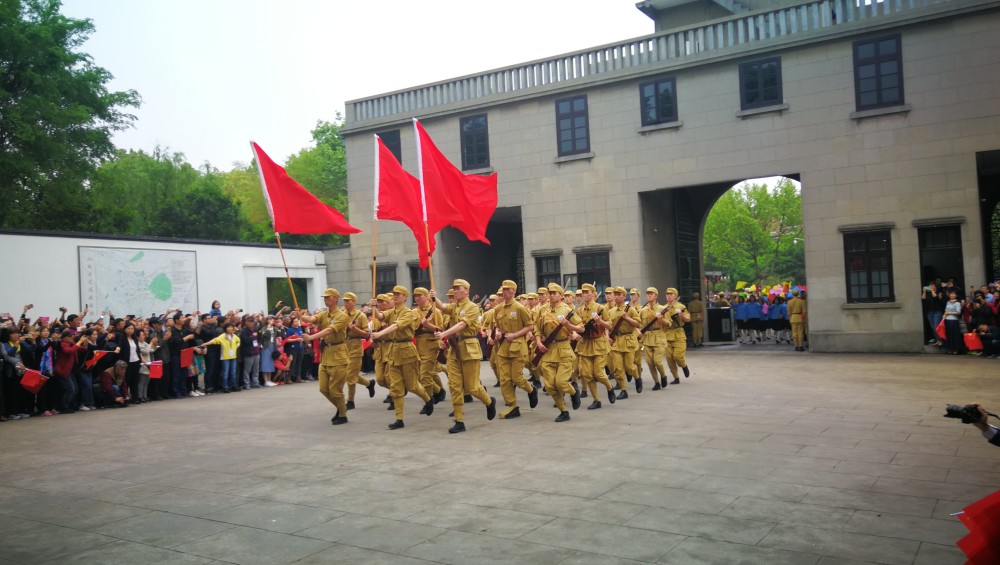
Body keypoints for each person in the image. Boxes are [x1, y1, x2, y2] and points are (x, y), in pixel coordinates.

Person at [432, 279, 496, 434]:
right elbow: (442, 307)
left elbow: (462, 325)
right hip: (454, 350)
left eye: (458, 288)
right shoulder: (455, 306)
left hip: (469, 349)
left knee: (472, 387)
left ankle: (488, 402)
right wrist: (434, 298)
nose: (454, 291)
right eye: (453, 288)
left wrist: (444, 334)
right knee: (454, 386)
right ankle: (459, 420)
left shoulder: (472, 307)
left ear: (467, 291)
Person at [370, 285, 435, 430]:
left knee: (412, 385)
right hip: (393, 351)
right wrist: (374, 307)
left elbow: (396, 326)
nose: (395, 296)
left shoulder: (409, 313)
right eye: (394, 294)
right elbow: (381, 316)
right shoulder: (391, 311)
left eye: (398, 294)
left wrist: (379, 334)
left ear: (405, 297)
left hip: (406, 351)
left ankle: (427, 399)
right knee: (396, 387)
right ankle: (399, 418)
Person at [533, 283, 583, 422]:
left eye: (555, 293)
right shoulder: (543, 309)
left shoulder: (567, 310)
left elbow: (581, 328)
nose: (552, 294)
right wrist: (538, 342)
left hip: (563, 348)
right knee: (549, 386)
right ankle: (563, 411)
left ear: (561, 296)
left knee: (560, 382)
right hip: (548, 349)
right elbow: (537, 327)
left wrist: (569, 326)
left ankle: (573, 393)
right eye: (550, 292)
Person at [489, 280, 538, 419]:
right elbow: (497, 326)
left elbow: (529, 326)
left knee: (516, 378)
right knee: (504, 379)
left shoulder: (520, 308)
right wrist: (497, 333)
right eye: (503, 289)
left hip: (517, 346)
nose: (504, 292)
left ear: (513, 291)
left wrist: (515, 334)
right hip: (503, 347)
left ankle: (531, 390)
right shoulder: (498, 309)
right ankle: (512, 406)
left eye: (507, 289)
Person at [300, 288, 351, 425]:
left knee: (335, 390)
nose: (326, 299)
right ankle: (340, 408)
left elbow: (329, 330)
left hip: (338, 353)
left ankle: (343, 414)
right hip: (327, 354)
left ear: (336, 298)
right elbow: (312, 319)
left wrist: (310, 337)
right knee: (323, 388)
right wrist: (300, 315)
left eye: (328, 297)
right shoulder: (324, 314)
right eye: (324, 297)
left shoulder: (342, 316)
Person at [412, 288, 447, 405]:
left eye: (420, 296)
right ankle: (438, 391)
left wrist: (428, 325)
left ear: (427, 297)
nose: (417, 298)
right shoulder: (414, 312)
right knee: (419, 374)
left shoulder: (435, 311)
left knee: (425, 376)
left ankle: (428, 401)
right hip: (418, 345)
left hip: (431, 345)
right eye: (415, 296)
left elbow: (441, 329)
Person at [607, 286, 642, 401]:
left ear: (623, 296)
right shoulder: (611, 311)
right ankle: (623, 390)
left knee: (629, 367)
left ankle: (637, 377)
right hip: (616, 341)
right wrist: (608, 337)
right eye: (615, 294)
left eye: (619, 295)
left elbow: (637, 324)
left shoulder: (630, 309)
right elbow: (608, 327)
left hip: (628, 340)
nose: (616, 297)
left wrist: (627, 318)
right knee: (618, 368)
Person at [342, 292, 376, 407]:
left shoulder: (360, 316)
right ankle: (369, 383)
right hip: (343, 346)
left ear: (354, 302)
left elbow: (367, 334)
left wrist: (355, 329)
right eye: (344, 301)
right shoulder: (341, 314)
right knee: (350, 374)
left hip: (355, 345)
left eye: (348, 301)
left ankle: (350, 400)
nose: (346, 303)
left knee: (350, 375)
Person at [640, 288, 669, 390]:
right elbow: (639, 325)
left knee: (657, 361)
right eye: (647, 294)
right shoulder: (643, 310)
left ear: (656, 296)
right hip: (647, 337)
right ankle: (656, 382)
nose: (649, 296)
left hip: (658, 336)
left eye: (651, 294)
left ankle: (663, 376)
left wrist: (661, 319)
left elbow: (669, 323)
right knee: (649, 362)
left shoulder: (662, 309)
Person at [663, 288, 691, 383]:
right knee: (669, 358)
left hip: (678, 334)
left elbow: (688, 319)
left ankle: (683, 366)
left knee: (678, 356)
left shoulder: (680, 306)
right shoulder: (663, 308)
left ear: (675, 296)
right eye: (667, 294)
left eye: (671, 294)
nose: (669, 296)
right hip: (667, 334)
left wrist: (682, 316)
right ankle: (676, 377)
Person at [205, 322, 240, 392]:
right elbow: (215, 340)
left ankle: (233, 385)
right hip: (225, 357)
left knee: (233, 372)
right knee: (225, 373)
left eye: (231, 327)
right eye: (228, 327)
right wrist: (206, 344)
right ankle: (225, 387)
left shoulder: (234, 336)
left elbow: (238, 341)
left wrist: (236, 347)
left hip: (233, 356)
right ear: (225, 328)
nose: (230, 328)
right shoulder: (223, 336)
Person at [943, 290, 963, 355]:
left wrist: (949, 313)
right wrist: (944, 316)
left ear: (956, 295)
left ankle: (956, 349)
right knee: (949, 334)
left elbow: (958, 312)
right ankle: (950, 348)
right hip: (947, 320)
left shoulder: (957, 303)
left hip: (954, 320)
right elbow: (946, 310)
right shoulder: (948, 302)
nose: (952, 295)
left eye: (953, 294)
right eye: (951, 294)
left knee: (955, 335)